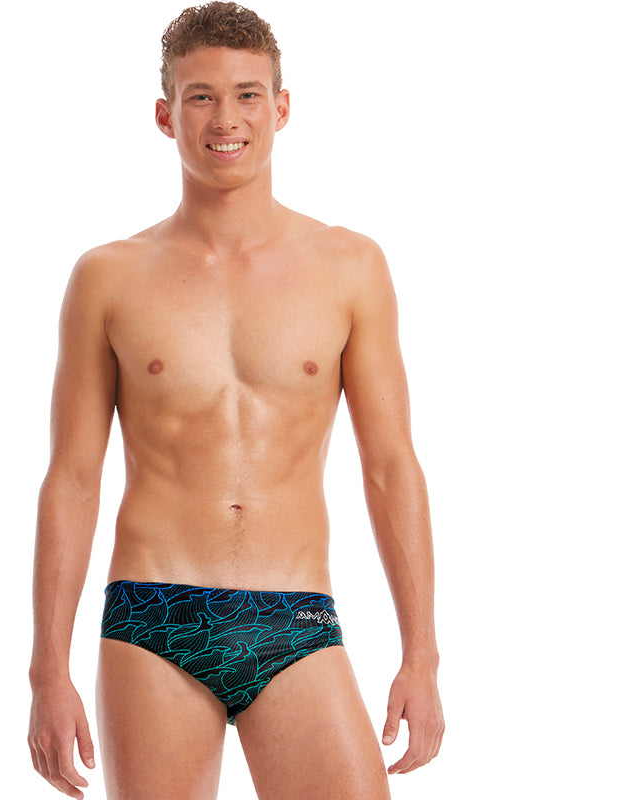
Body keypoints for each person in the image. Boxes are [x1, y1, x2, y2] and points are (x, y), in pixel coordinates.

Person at [27, 3, 444, 798]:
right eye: (201, 97)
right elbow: (73, 478)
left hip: (297, 617)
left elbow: (391, 466)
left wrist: (421, 657)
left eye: (248, 95)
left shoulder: (349, 267)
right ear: (165, 115)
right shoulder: (108, 277)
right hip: (154, 615)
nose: (226, 119)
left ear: (281, 108)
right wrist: (48, 669)